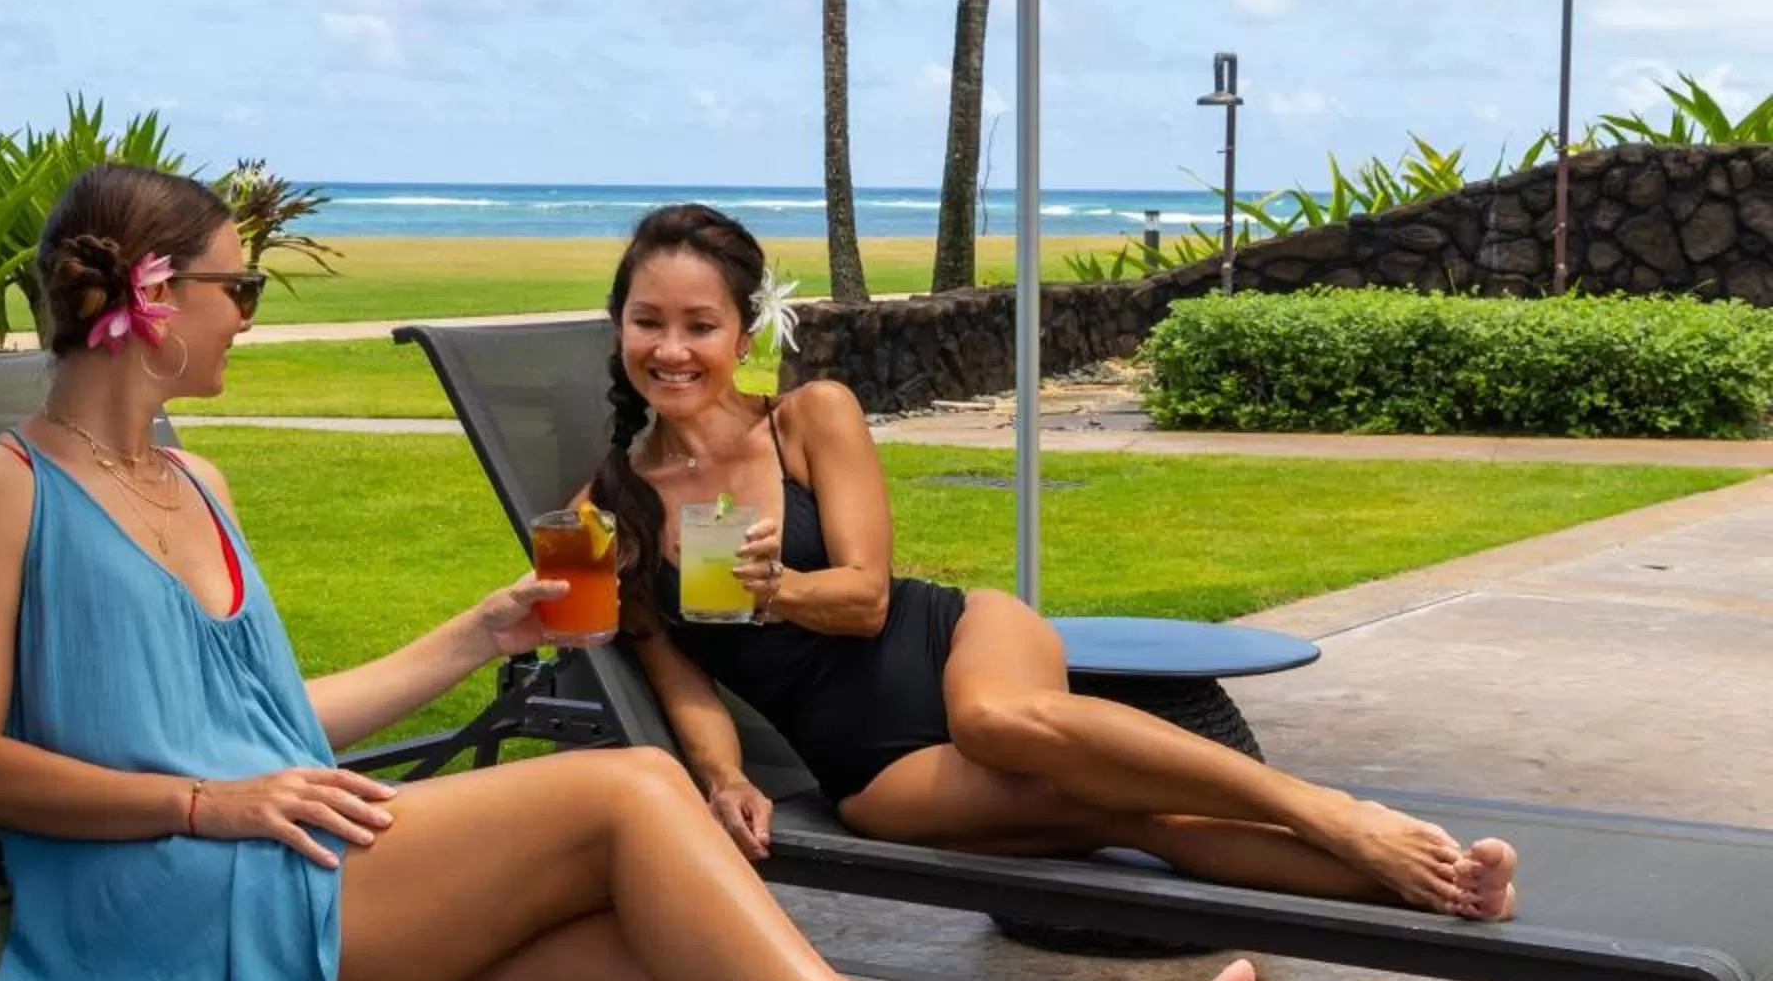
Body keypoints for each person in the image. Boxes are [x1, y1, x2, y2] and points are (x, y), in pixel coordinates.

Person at [0, 162, 1271, 981]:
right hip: (163, 911)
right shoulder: (0, 491)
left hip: (271, 855)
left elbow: (263, 726)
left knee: (649, 951)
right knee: (622, 791)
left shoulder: (198, 481)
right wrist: (211, 809)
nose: (249, 320)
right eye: (237, 288)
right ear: (152, 302)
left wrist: (478, 634)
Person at [594, 204, 1521, 918]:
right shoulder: (613, 509)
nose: (672, 350)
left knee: (1002, 719)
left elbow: (869, 599)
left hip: (954, 640)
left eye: (699, 325)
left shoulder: (808, 415)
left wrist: (779, 589)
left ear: (744, 334)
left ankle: (1329, 811)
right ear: (620, 329)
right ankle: (1441, 886)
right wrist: (726, 780)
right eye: (649, 323)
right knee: (1126, 819)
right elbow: (680, 679)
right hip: (869, 759)